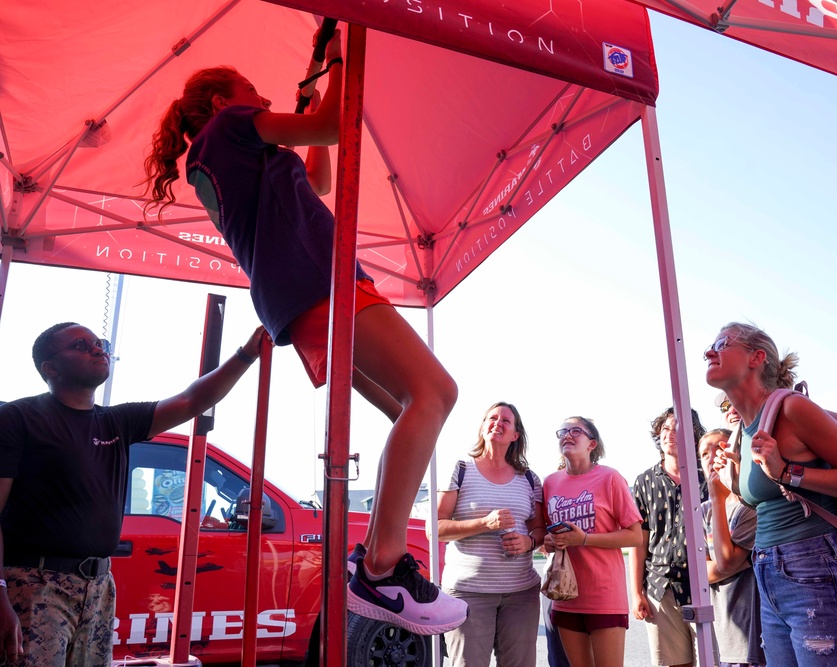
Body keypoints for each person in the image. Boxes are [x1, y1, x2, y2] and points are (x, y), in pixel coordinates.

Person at [142, 28, 466, 634]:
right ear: (221, 101)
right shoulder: (232, 125)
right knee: (435, 393)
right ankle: (381, 568)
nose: (260, 97)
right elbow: (331, 124)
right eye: (249, 90)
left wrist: (318, 89)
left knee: (412, 405)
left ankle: (374, 563)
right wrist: (339, 59)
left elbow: (319, 173)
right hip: (318, 279)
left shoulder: (220, 153)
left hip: (297, 294)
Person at [0, 321, 266, 666]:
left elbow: (192, 400)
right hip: (35, 585)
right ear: (49, 368)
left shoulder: (116, 422)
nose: (97, 349)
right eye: (80, 345)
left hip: (98, 586)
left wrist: (246, 353)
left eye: (99, 343)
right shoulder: (18, 418)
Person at [706, 322, 837, 666]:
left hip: (815, 569)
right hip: (769, 572)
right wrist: (732, 478)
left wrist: (787, 472)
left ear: (756, 357)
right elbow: (768, 501)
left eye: (722, 343)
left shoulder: (791, 408)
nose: (708, 351)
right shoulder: (743, 433)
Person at [432, 402, 543, 666]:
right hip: (468, 593)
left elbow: (540, 529)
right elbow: (435, 529)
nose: (498, 422)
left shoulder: (529, 479)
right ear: (482, 428)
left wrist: (528, 542)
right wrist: (484, 523)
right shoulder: (460, 469)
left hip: (521, 593)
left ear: (515, 435)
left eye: (506, 420)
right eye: (492, 418)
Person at [542, 416, 642, 667]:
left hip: (604, 596)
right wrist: (549, 541)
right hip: (565, 596)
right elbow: (544, 535)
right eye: (563, 431)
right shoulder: (550, 483)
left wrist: (584, 538)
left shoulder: (610, 478)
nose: (568, 434)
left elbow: (635, 535)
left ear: (592, 443)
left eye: (576, 430)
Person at [628, 407, 706, 667]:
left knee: (713, 661)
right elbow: (638, 541)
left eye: (678, 428)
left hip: (707, 586)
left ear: (694, 436)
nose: (670, 434)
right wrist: (637, 592)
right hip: (661, 590)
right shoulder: (644, 481)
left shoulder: (708, 476)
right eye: (665, 428)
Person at [699, 428, 765, 667]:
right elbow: (698, 574)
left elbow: (725, 562)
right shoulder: (703, 511)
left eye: (721, 448)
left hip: (754, 630)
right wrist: (736, 562)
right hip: (723, 628)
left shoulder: (751, 504)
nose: (713, 457)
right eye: (705, 454)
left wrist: (718, 498)